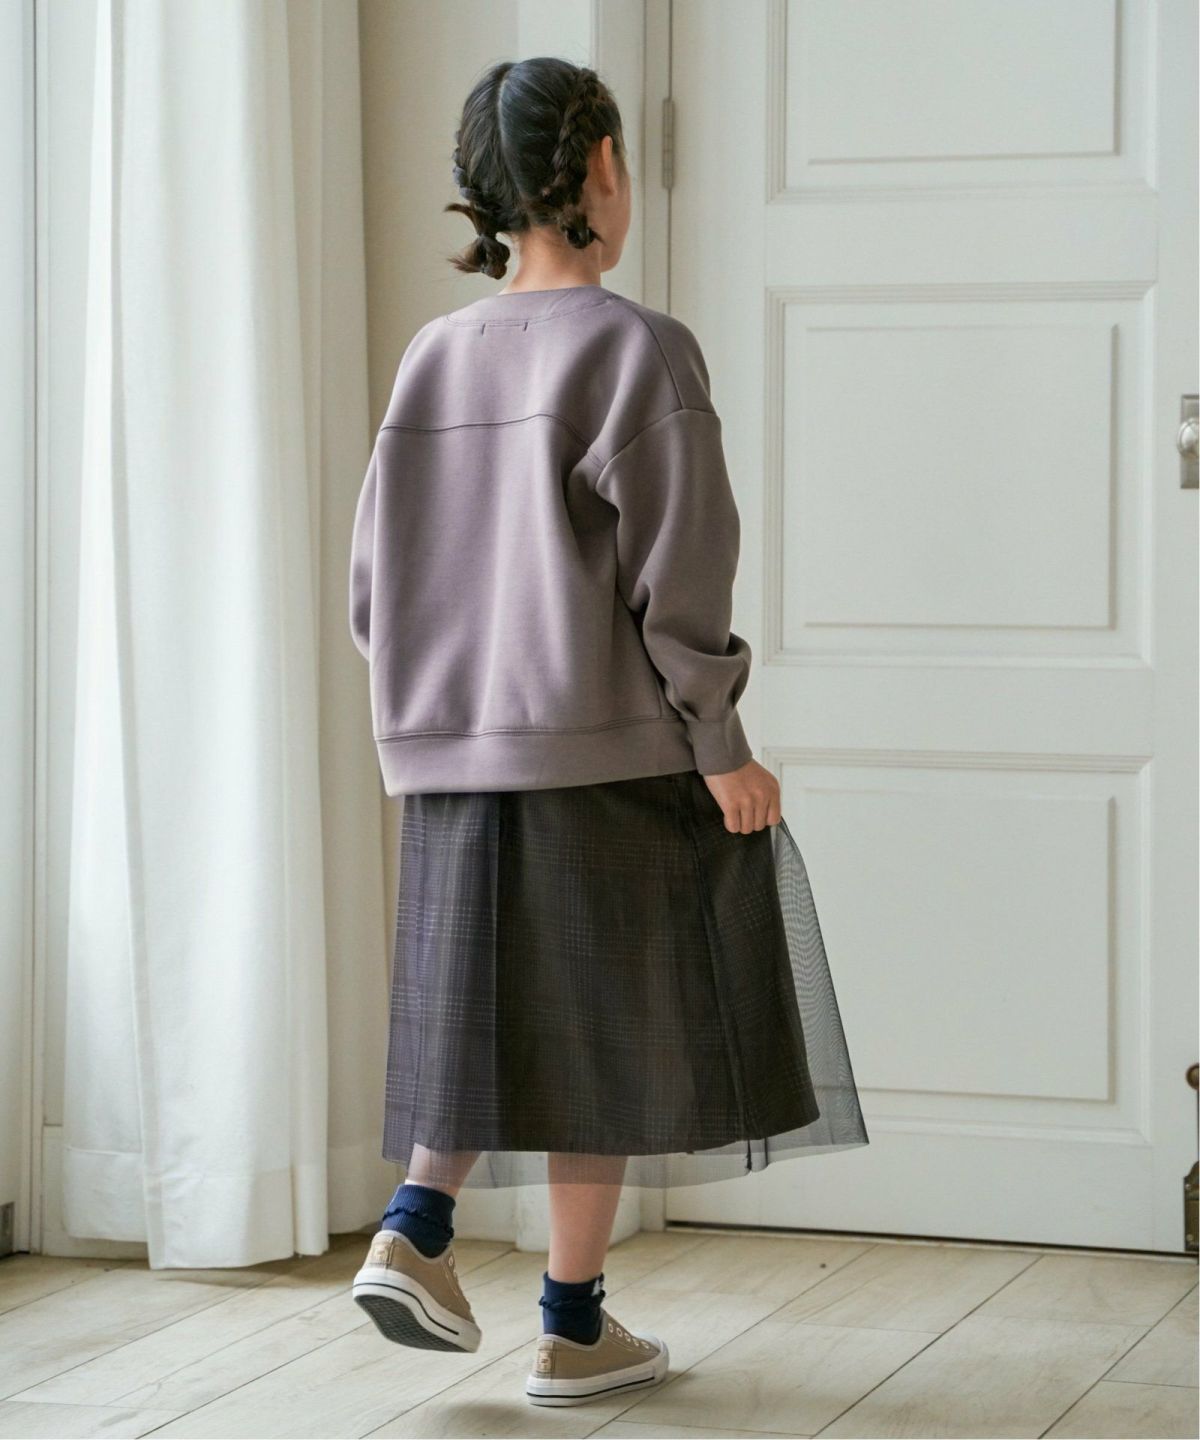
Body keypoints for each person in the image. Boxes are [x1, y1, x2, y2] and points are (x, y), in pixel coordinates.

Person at [346, 56, 867, 1408]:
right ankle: (570, 1326)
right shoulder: (638, 349)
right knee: (606, 1032)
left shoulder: (432, 357)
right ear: (602, 170)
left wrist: (439, 718)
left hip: (454, 756)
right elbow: (679, 575)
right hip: (607, 754)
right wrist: (721, 743)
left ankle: (415, 1224)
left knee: (481, 1008)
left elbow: (373, 588)